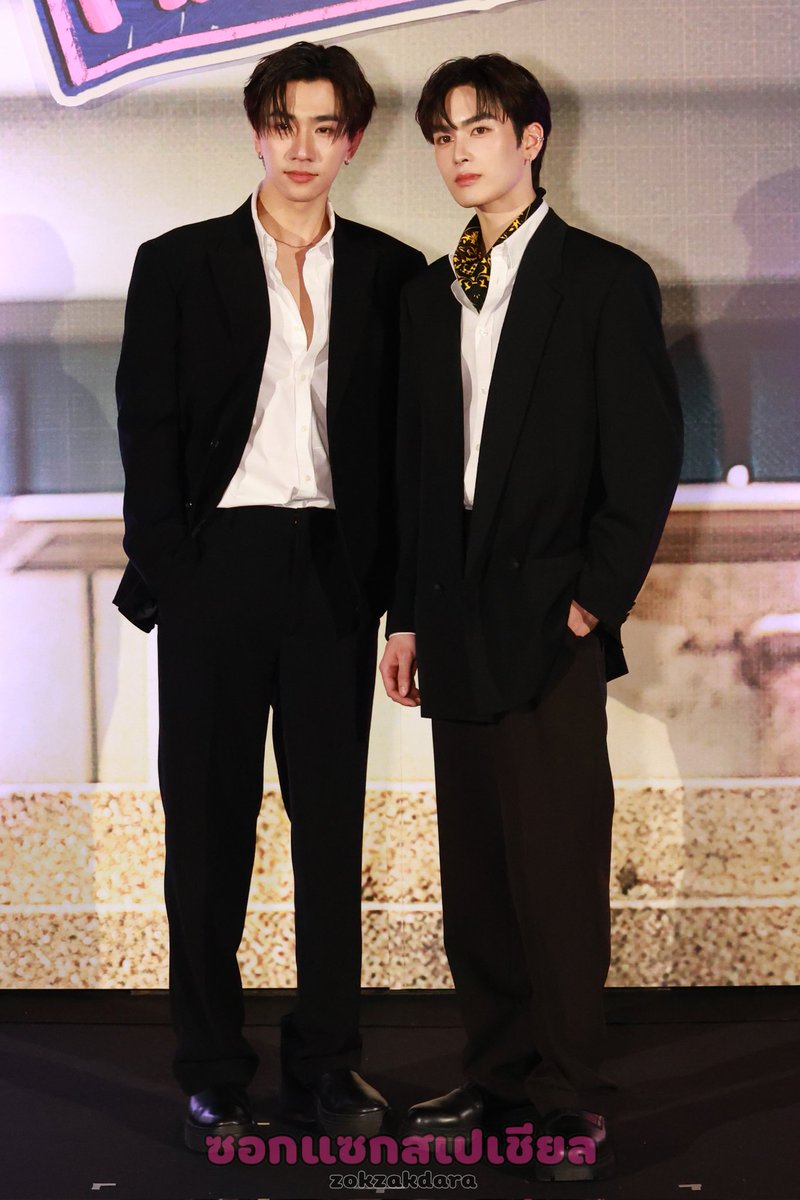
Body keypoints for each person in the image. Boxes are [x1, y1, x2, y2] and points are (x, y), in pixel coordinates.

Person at [114, 41, 425, 1151]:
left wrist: (402, 603)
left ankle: (327, 1067)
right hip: (217, 567)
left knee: (328, 830)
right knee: (206, 832)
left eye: (325, 127)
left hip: (333, 571)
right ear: (256, 130)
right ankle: (211, 1067)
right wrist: (175, 570)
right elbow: (146, 434)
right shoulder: (178, 263)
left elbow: (406, 453)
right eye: (285, 123)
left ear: (353, 140)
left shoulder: (393, 272)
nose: (303, 148)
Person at [380, 53, 683, 1182]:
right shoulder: (429, 292)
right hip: (451, 613)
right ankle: (496, 1071)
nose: (458, 151)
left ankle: (567, 1094)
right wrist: (405, 616)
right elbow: (420, 473)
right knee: (477, 871)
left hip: (551, 613)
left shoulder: (602, 279)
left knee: (555, 867)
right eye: (442, 134)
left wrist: (590, 602)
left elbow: (642, 461)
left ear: (530, 139)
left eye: (479, 128)